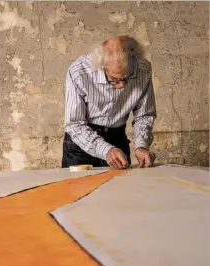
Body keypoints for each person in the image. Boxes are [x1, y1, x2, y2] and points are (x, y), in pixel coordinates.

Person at [62, 35, 157, 169]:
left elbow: (144, 115)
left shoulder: (143, 69)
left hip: (118, 138)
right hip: (81, 144)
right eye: (115, 79)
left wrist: (141, 145)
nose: (121, 86)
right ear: (102, 66)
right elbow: (74, 124)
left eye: (128, 77)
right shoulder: (79, 72)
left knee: (120, 189)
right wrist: (106, 150)